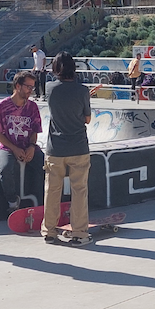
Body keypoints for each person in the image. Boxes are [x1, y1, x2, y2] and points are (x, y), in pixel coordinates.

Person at [44, 51, 93, 246]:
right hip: (78, 146)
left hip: (55, 148)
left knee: (52, 190)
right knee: (79, 190)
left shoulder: (49, 88)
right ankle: (80, 233)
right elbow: (87, 119)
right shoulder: (82, 90)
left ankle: (49, 231)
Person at [0, 70, 45, 215]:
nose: (30, 91)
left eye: (32, 87)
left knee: (46, 166)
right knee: (5, 168)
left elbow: (35, 130)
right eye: (28, 87)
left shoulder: (32, 107)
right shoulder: (1, 107)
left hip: (29, 145)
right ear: (18, 86)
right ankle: (12, 202)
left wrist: (32, 147)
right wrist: (14, 148)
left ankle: (43, 202)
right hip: (8, 147)